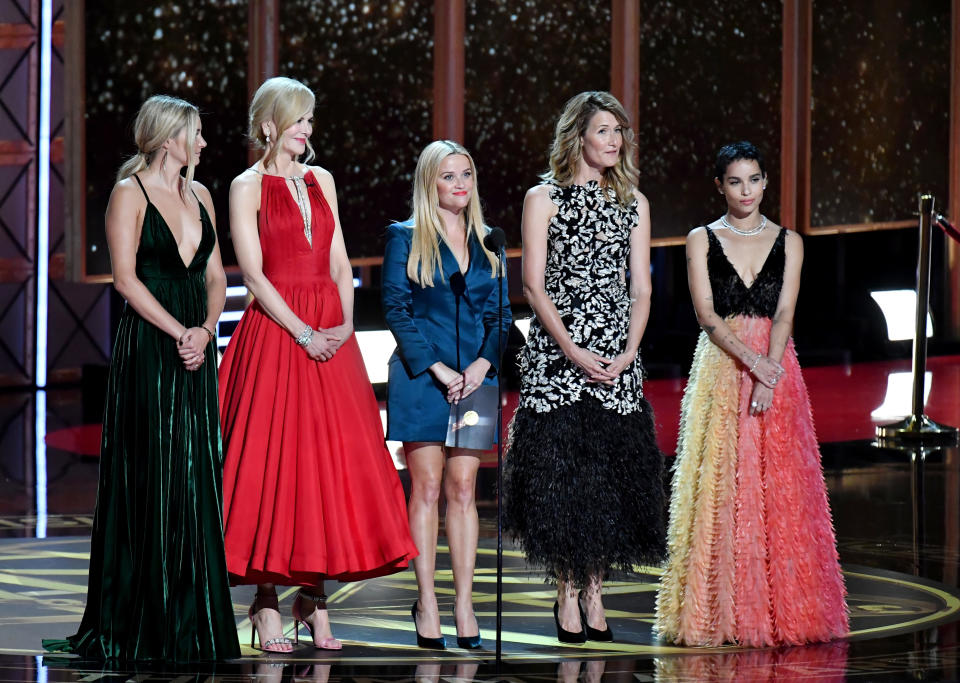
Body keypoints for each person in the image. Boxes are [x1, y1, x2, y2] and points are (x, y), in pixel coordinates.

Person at [218, 77, 417, 652]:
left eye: (311, 120)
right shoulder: (246, 185)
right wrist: (304, 331)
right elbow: (253, 274)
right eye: (298, 119)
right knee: (275, 468)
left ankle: (315, 595)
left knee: (328, 469)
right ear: (269, 125)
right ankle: (264, 601)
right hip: (279, 332)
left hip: (331, 333)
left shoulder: (320, 179)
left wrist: (346, 325)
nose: (307, 130)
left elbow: (338, 260)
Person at [43, 95, 238, 661]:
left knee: (195, 473)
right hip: (152, 347)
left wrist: (204, 328)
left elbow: (216, 275)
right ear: (169, 137)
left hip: (196, 347)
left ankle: (191, 618)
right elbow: (126, 281)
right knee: (151, 471)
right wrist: (180, 331)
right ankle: (138, 621)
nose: (203, 143)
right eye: (196, 133)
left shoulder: (201, 194)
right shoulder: (128, 193)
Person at [655, 141, 848, 647]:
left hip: (777, 368)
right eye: (735, 181)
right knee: (720, 485)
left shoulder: (791, 242)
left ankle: (785, 613)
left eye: (754, 179)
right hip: (722, 367)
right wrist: (753, 363)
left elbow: (784, 314)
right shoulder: (701, 238)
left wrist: (770, 370)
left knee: (780, 488)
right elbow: (706, 316)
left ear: (765, 182)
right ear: (720, 185)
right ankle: (715, 614)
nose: (746, 191)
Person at [502, 91, 666, 644]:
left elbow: (641, 288)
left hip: (617, 358)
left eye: (620, 132)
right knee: (564, 480)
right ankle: (565, 594)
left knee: (606, 480)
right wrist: (572, 350)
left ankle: (594, 591)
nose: (615, 141)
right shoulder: (542, 197)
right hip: (558, 356)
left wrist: (626, 353)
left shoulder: (633, 203)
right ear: (577, 136)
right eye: (604, 131)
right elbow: (532, 284)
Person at [382, 140, 511, 650]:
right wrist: (437, 367)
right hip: (421, 378)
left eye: (467, 175)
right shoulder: (405, 237)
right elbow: (396, 308)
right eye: (449, 177)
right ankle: (427, 602)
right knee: (428, 489)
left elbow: (502, 316)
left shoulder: (488, 243)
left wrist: (481, 364)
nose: (460, 185)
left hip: (476, 381)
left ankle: (463, 601)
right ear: (429, 183)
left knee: (464, 491)